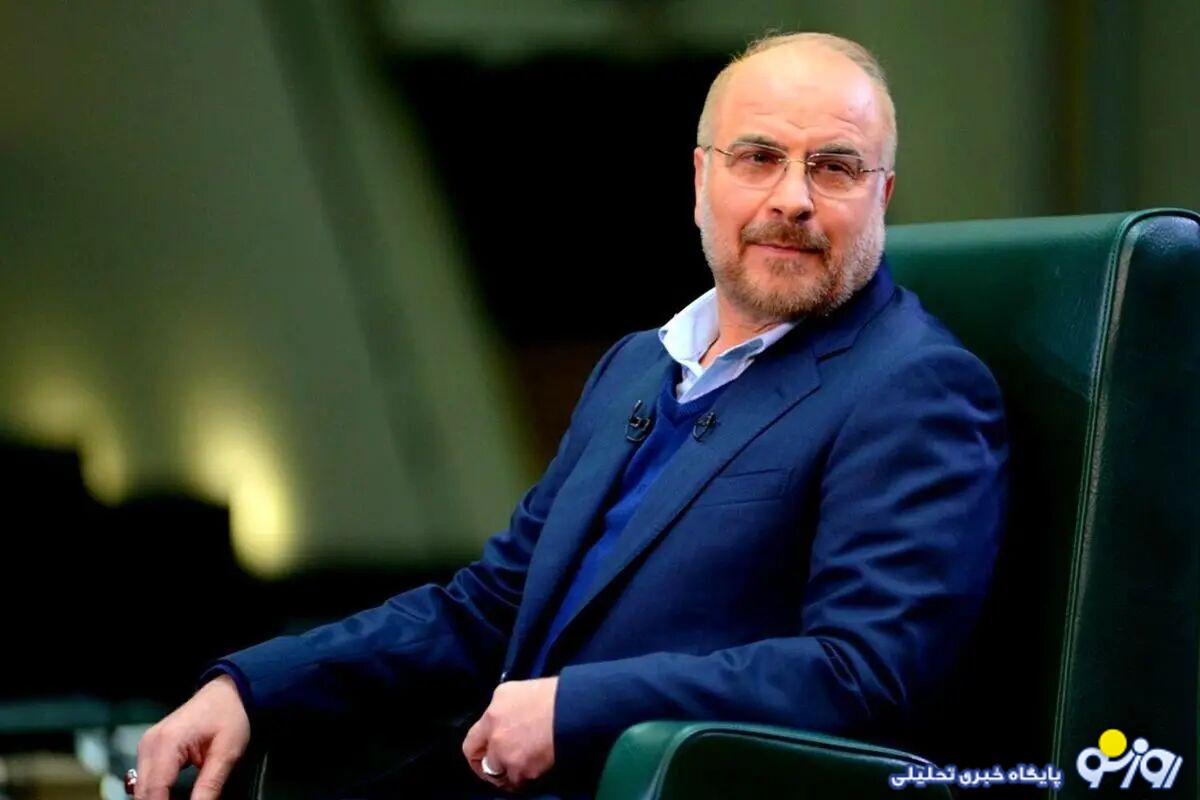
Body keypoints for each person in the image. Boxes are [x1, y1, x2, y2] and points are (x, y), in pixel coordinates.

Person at [134, 31, 1008, 800]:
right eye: (757, 158)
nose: (793, 198)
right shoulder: (638, 366)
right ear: (700, 180)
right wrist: (253, 688)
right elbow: (491, 608)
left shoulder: (915, 386)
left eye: (835, 167)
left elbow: (866, 675)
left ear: (882, 197)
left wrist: (577, 708)